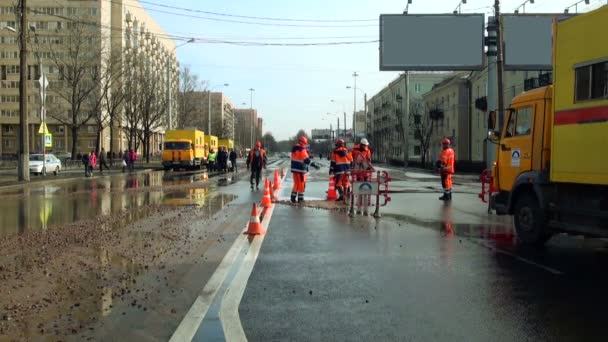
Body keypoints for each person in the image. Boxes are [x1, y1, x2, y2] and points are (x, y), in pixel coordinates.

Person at [290, 136, 311, 203]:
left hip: (294, 170)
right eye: (305, 143)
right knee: (302, 184)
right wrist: (314, 164)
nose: (305, 145)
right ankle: (300, 199)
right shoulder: (302, 149)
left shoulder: (294, 149)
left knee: (296, 184)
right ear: (302, 142)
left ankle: (293, 198)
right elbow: (306, 159)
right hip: (301, 170)